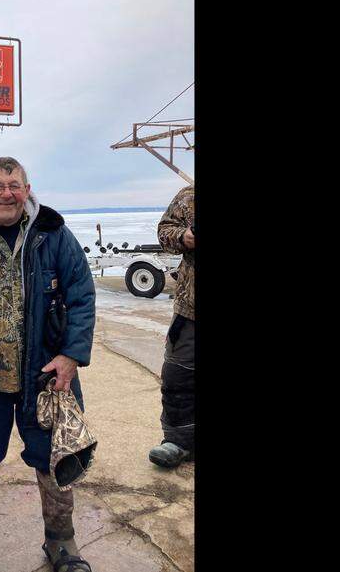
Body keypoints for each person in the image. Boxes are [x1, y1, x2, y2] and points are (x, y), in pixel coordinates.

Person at [0, 157, 96, 572]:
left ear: (27, 190)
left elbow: (81, 295)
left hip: (45, 375)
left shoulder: (53, 233)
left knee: (52, 455)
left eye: (15, 185)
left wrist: (71, 355)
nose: (6, 193)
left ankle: (62, 542)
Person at [149, 184, 195, 468]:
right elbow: (164, 231)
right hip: (190, 311)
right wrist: (184, 237)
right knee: (178, 376)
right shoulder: (189, 197)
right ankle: (178, 441)